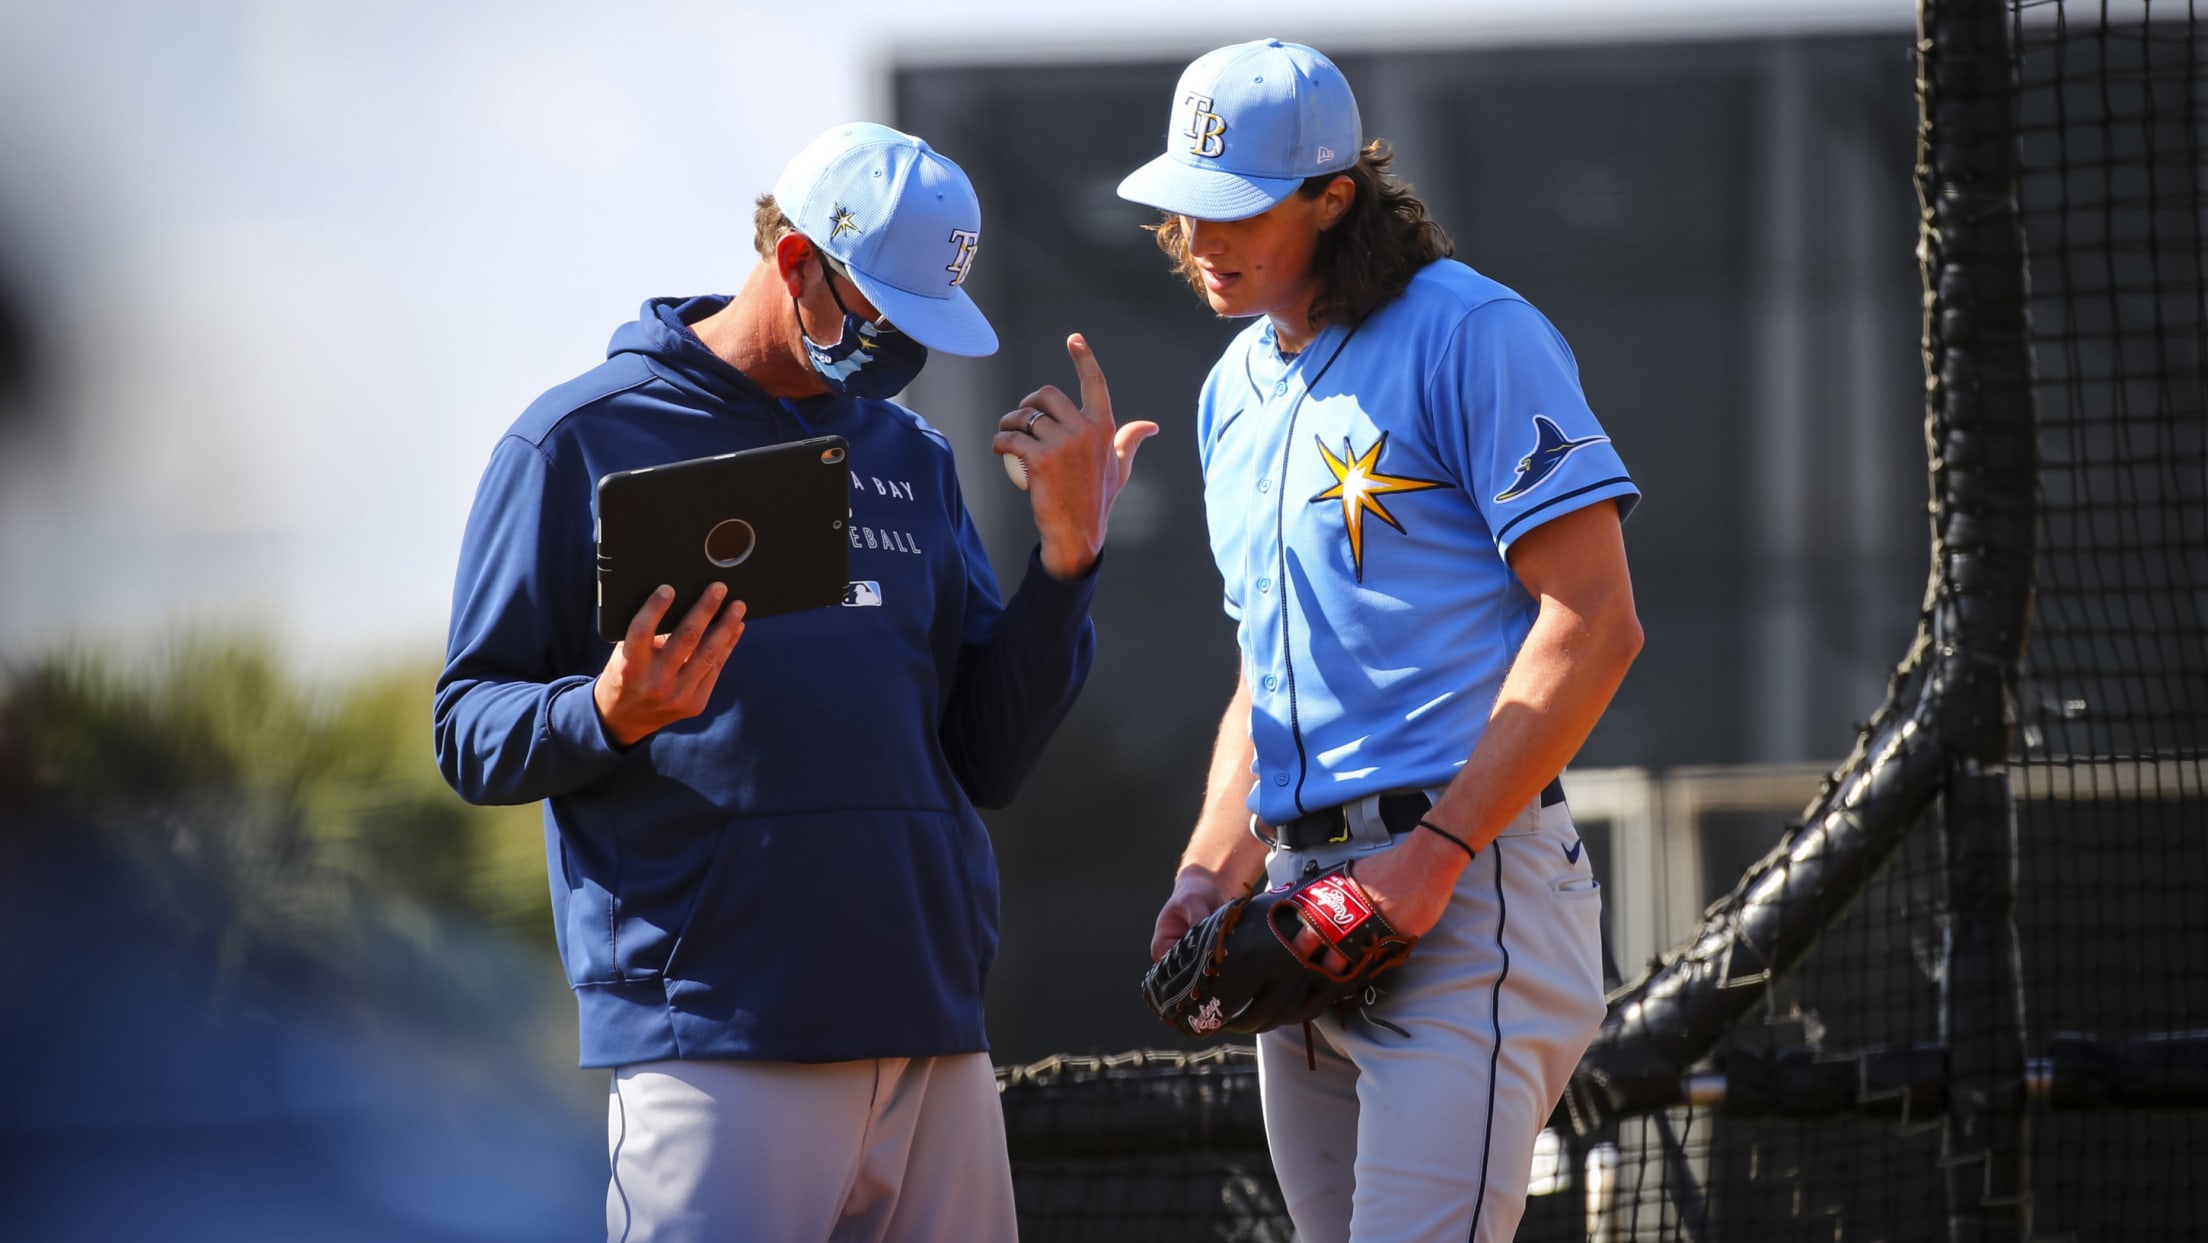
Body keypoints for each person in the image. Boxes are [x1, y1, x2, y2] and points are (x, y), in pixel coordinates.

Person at [435, 122, 1154, 1243]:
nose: (901, 351)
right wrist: (609, 710)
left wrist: (1065, 568)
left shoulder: (910, 454)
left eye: (925, 325)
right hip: (717, 1031)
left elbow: (987, 756)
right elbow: (467, 727)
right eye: (880, 314)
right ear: (791, 262)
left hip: (931, 1022)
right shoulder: (575, 440)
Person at [1118, 40, 1643, 1243]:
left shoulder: (1472, 331)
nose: (1201, 237)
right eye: (1184, 208)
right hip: (1301, 900)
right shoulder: (1231, 389)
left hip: (1463, 884)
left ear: (1332, 197)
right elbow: (1271, 659)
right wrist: (1212, 869)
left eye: (1235, 207)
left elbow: (1596, 619)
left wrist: (1441, 853)